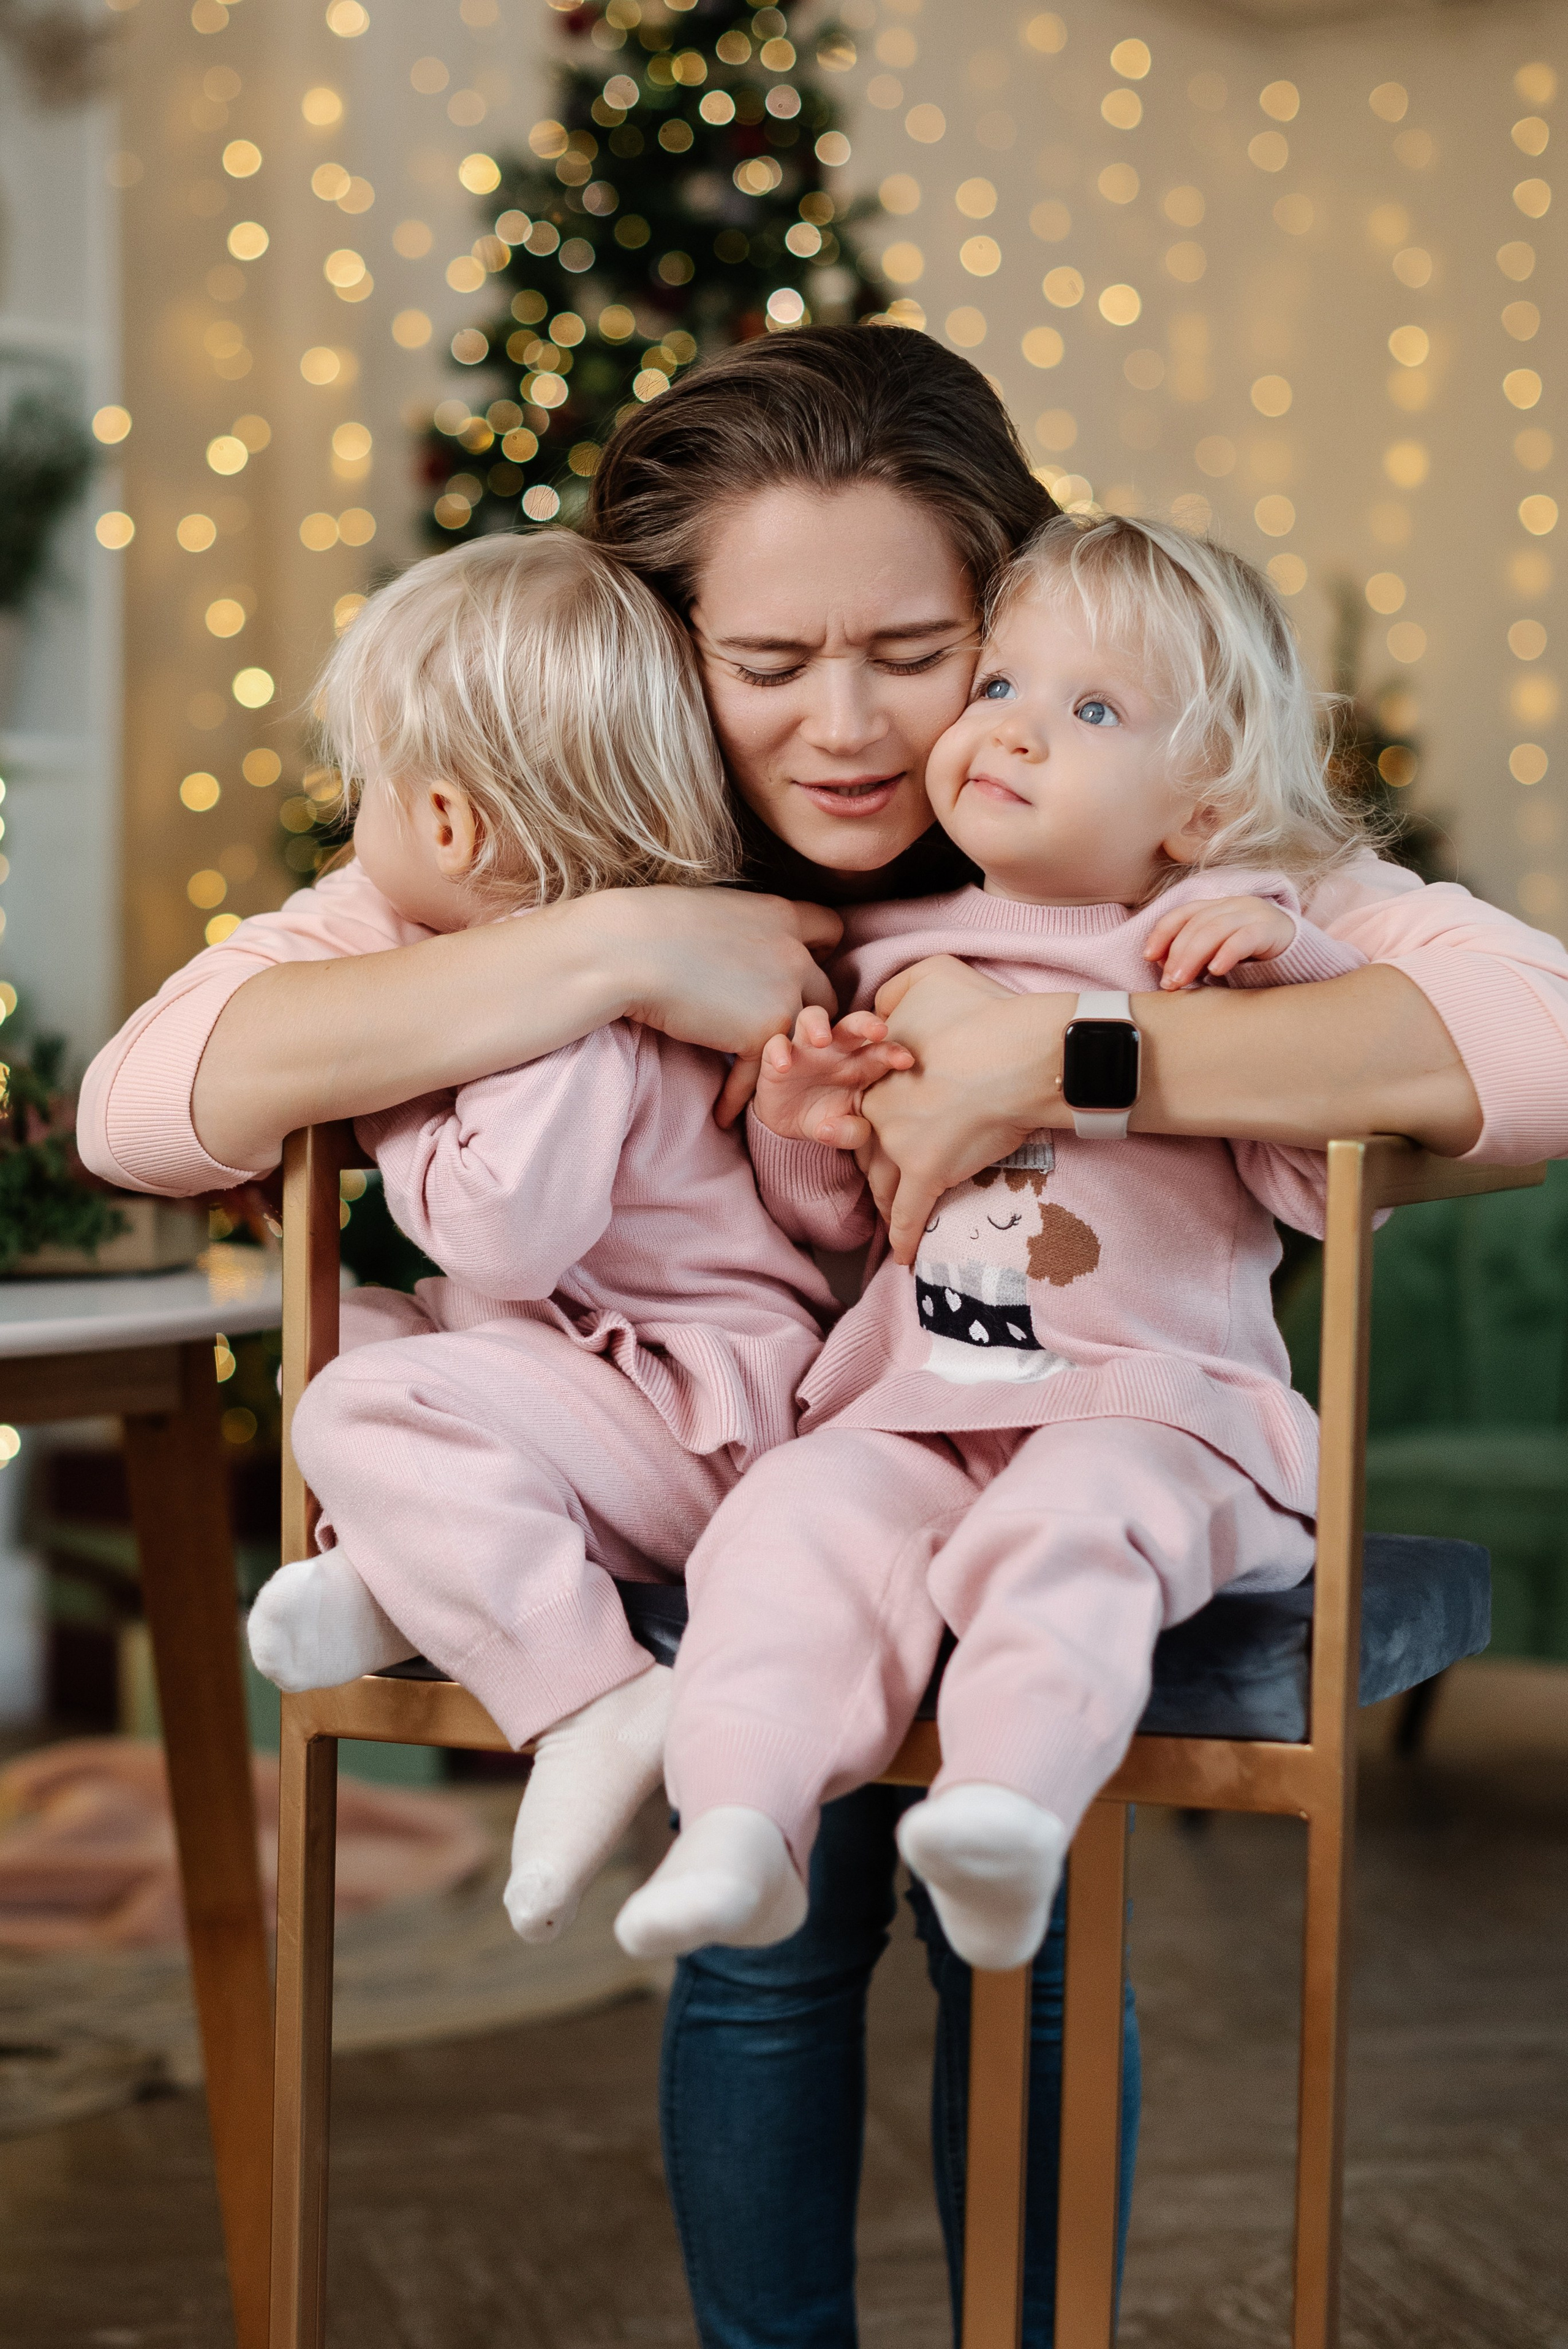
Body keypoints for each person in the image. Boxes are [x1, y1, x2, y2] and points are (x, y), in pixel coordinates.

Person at [80, 327, 1568, 2346]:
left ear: (1013, 621)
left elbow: (1530, 1040)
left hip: (1061, 1462)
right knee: (769, 1935)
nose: (853, 728)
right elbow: (150, 1099)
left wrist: (1071, 1051)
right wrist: (617, 941)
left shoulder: (1132, 829)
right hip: (719, 1489)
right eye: (768, 667)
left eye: (919, 648)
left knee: (1030, 1938)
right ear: (667, 648)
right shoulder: (566, 827)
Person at [616, 513, 1363, 1969]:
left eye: (1089, 711)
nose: (1010, 734)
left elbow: (1322, 1189)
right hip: (922, 1401)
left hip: (1156, 1415)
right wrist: (800, 1113)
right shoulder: (889, 955)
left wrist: (1288, 984)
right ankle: (734, 1827)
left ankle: (1010, 1809)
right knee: (783, 1527)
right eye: (1003, 686)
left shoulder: (1215, 940)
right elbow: (833, 1215)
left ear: (1199, 807)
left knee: (1065, 1535)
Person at [242, 529, 843, 1945]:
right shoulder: (626, 959)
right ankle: (404, 1585)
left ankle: (588, 1694)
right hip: (620, 1379)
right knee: (367, 1337)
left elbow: (505, 1238)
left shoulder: (558, 1017)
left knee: (357, 1397)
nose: (355, 832)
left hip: (695, 1416)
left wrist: (382, 1105)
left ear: (445, 826)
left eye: (361, 799)